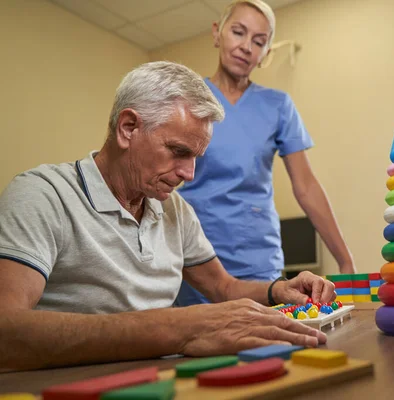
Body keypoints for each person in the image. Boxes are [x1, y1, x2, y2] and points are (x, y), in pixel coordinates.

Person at [0, 61, 335, 371]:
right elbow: (5, 329)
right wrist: (179, 327)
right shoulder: (43, 195)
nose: (189, 174)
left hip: (164, 380)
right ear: (128, 128)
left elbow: (223, 286)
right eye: (178, 152)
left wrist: (279, 290)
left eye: (197, 158)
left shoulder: (176, 210)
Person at [176, 0, 356, 307]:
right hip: (198, 258)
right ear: (217, 33)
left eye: (259, 41)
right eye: (238, 32)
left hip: (258, 258)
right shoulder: (188, 101)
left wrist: (345, 262)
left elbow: (307, 187)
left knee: (269, 349)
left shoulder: (278, 106)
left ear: (265, 55)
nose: (246, 46)